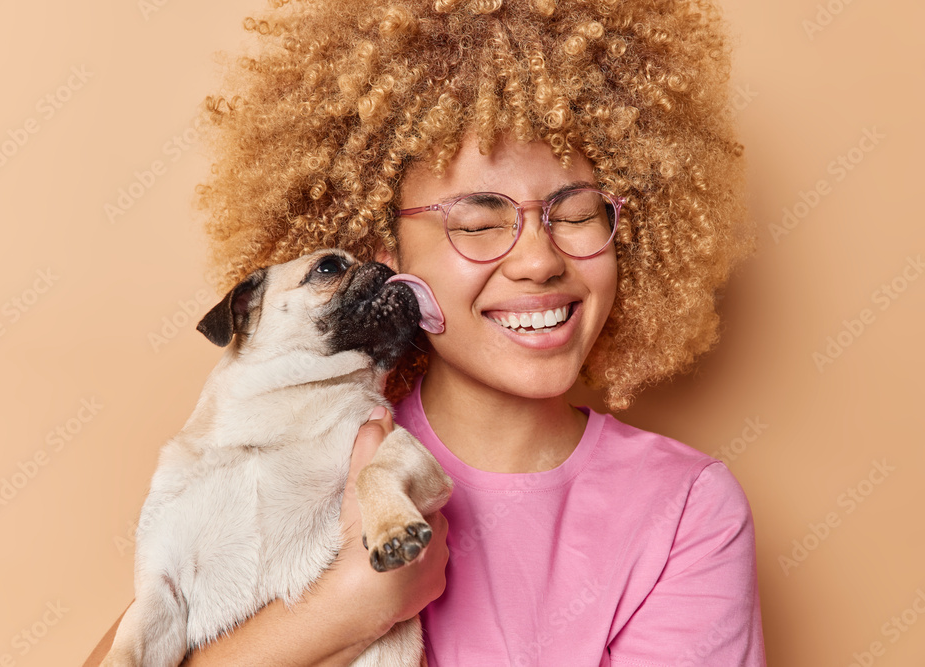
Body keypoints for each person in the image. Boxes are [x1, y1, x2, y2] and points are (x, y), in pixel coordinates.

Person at [85, 0, 766, 664]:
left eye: (577, 213)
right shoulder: (297, 447)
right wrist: (341, 610)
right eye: (478, 221)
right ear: (387, 259)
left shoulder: (685, 513)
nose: (539, 261)